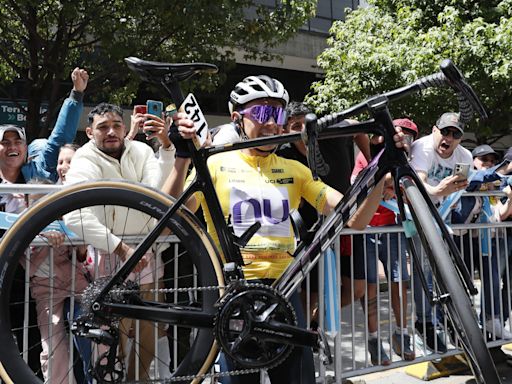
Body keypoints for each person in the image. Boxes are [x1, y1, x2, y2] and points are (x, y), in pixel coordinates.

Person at [163, 75, 409, 383]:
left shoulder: (294, 169)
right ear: (236, 118)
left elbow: (354, 219)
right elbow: (170, 220)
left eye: (278, 114)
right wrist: (182, 159)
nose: (272, 124)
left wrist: (380, 168)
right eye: (262, 113)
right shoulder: (216, 164)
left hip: (285, 292)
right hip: (235, 293)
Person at [63, 102, 175, 380]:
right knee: (107, 342)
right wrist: (122, 247)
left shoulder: (142, 151)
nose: (111, 131)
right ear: (89, 132)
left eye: (116, 125)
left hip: (147, 254)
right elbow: (73, 215)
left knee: (145, 339)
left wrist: (168, 146)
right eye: (103, 127)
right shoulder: (84, 159)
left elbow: (156, 194)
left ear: (125, 128)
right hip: (108, 259)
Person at [351, 118, 418, 365]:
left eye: (410, 138)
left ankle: (401, 335)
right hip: (367, 230)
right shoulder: (368, 154)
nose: (404, 141)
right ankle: (373, 339)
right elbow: (362, 184)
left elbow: (412, 189)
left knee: (399, 284)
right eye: (401, 135)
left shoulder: (406, 158)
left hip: (393, 229)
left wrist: (391, 185)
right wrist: (389, 183)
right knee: (370, 289)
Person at [409, 112, 472, 353]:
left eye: (455, 134)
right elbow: (417, 184)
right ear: (435, 131)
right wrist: (438, 190)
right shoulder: (422, 147)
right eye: (445, 131)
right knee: (424, 269)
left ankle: (450, 320)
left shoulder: (464, 155)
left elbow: (460, 188)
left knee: (448, 269)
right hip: (416, 213)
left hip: (442, 217)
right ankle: (423, 322)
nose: (449, 137)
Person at [22, 179, 92, 384]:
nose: (42, 210)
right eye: (35, 204)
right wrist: (43, 237)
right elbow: (26, 259)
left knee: (97, 327)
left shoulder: (66, 223)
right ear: (27, 207)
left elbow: (80, 257)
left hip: (75, 281)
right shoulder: (23, 227)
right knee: (52, 344)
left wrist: (80, 246)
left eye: (46, 203)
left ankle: (104, 375)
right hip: (46, 289)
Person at [451, 145, 512, 339]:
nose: (488, 164)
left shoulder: (493, 189)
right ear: (473, 161)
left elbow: (500, 215)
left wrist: (510, 199)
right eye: (483, 160)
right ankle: (460, 324)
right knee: (462, 283)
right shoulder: (470, 179)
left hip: (488, 239)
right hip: (463, 239)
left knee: (492, 280)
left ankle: (490, 320)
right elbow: (463, 214)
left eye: (492, 161)